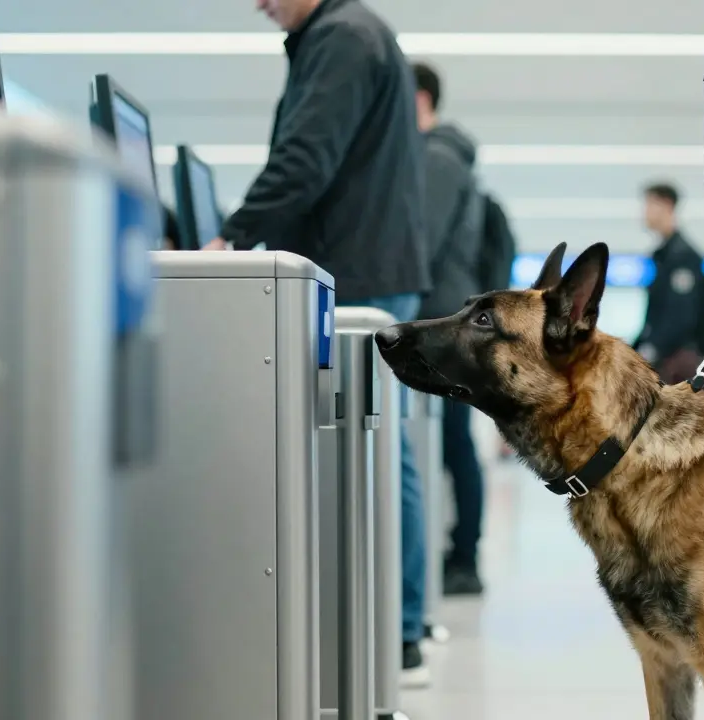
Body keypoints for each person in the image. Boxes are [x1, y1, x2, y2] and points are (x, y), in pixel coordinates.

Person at [202, 0, 433, 688]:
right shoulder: (349, 35)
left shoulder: (341, 38)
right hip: (372, 263)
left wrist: (232, 236)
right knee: (381, 448)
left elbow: (305, 157)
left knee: (376, 451)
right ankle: (401, 626)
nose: (258, 3)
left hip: (356, 267)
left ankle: (399, 630)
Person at [411, 61, 489, 598]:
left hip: (443, 322)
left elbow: (421, 244)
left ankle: (464, 558)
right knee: (450, 443)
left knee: (454, 444)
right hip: (448, 314)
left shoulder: (437, 157)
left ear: (417, 99)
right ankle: (460, 552)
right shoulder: (446, 156)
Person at [631, 182, 704, 385]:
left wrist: (651, 350)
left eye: (649, 205)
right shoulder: (664, 256)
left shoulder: (682, 257)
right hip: (672, 359)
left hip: (678, 364)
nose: (644, 213)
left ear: (667, 205)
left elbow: (681, 316)